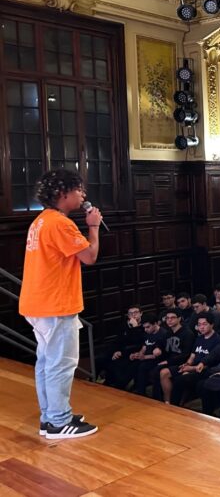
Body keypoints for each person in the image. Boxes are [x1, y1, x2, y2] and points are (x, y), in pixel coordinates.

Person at [19, 169, 102, 439]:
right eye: (78, 190)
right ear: (62, 193)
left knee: (47, 362)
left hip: (38, 302)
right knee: (61, 363)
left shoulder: (41, 221)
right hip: (55, 304)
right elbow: (89, 256)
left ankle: (50, 416)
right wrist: (93, 227)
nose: (83, 195)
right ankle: (58, 420)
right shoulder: (60, 224)